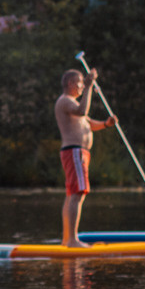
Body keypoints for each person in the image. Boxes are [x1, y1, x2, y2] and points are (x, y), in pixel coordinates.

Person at [55, 67, 114, 247]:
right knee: (77, 194)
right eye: (80, 83)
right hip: (75, 151)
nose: (82, 87)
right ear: (71, 83)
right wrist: (89, 87)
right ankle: (72, 240)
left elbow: (87, 123)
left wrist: (105, 124)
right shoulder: (66, 101)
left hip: (78, 153)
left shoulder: (72, 103)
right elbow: (82, 111)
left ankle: (67, 239)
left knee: (73, 193)